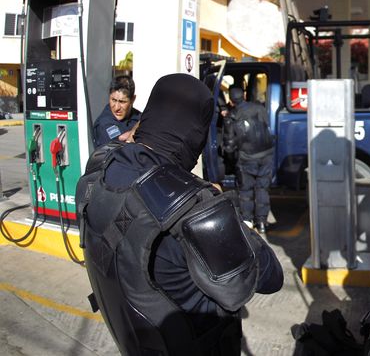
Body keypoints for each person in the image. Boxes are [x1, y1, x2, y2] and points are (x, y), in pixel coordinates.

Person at [76, 73, 283, 355]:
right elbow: (271, 276)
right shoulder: (191, 208)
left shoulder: (97, 169)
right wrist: (222, 208)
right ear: (195, 134)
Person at [223, 86, 275, 233]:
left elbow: (229, 145)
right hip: (266, 155)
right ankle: (262, 222)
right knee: (262, 189)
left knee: (246, 191)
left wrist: (229, 159)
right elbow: (266, 127)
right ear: (244, 95)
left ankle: (247, 221)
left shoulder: (231, 117)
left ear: (231, 100)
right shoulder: (259, 108)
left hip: (246, 158)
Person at [93, 75, 141, 147]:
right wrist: (138, 128)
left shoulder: (138, 116)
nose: (116, 107)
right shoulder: (104, 122)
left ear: (133, 99)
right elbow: (123, 143)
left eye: (122, 102)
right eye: (113, 100)